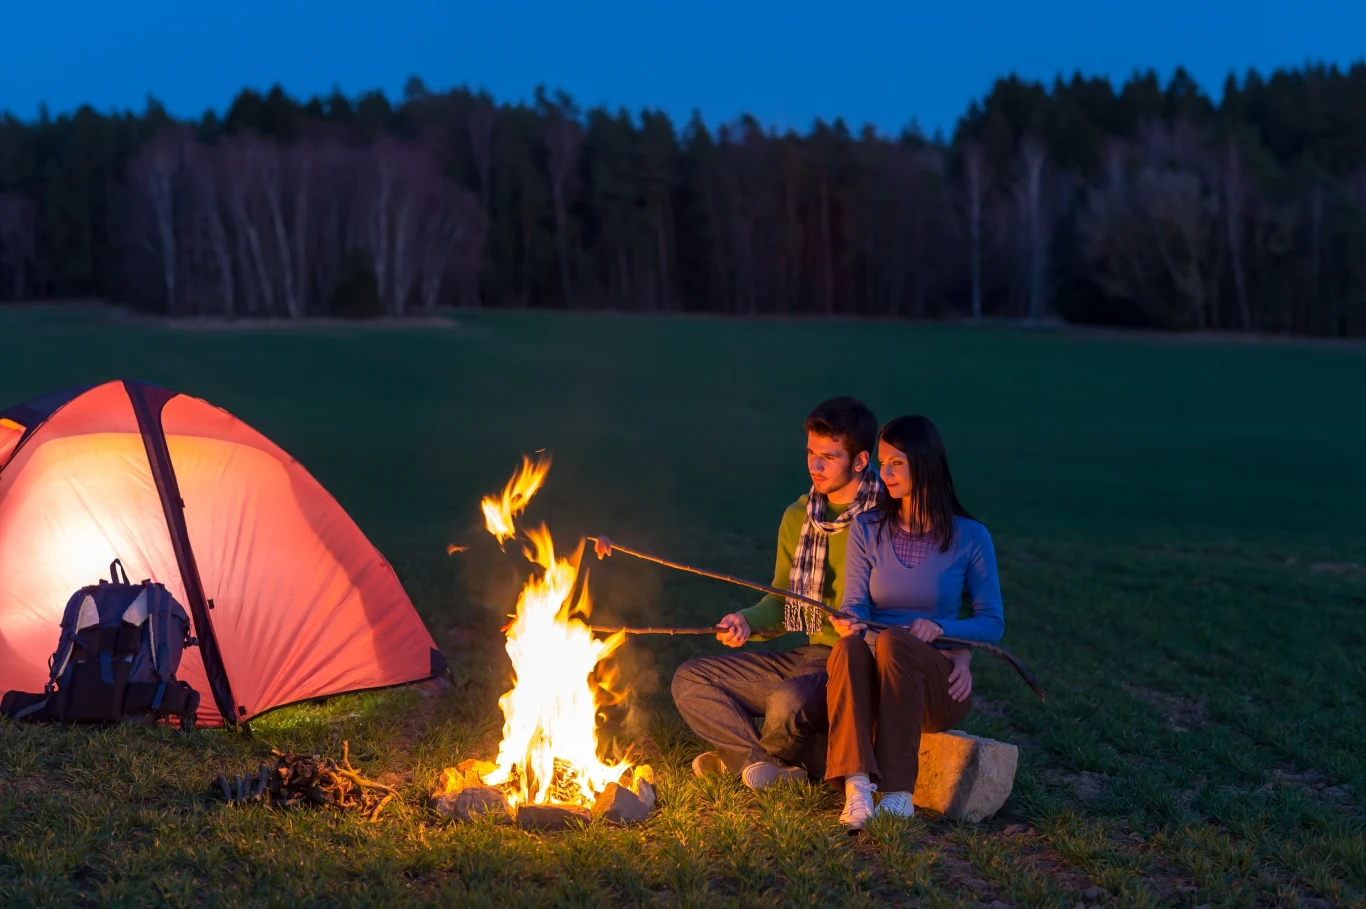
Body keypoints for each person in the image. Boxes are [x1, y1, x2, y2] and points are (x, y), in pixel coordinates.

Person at [825, 415, 1003, 829]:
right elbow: (854, 603)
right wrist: (849, 621)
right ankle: (857, 790)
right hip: (875, 678)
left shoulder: (971, 537)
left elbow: (992, 622)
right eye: (881, 463)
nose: (883, 474)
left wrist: (944, 631)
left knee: (894, 642)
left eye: (895, 463)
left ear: (923, 463)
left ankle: (899, 795)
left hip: (935, 685)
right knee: (849, 646)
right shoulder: (867, 528)